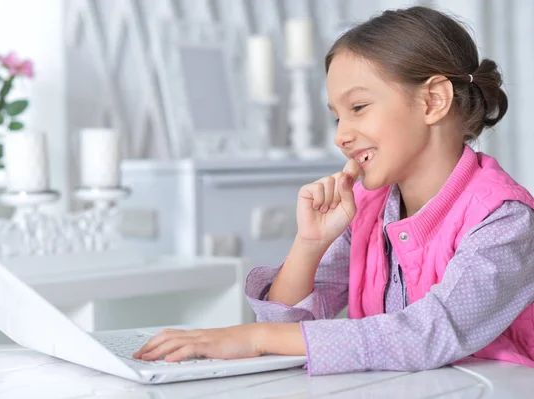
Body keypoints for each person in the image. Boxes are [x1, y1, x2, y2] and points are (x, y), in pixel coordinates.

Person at [133, 6, 534, 375]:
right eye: (336, 117)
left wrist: (253, 339)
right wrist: (309, 244)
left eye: (358, 107)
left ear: (433, 100)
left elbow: (425, 336)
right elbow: (285, 332)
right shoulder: (367, 207)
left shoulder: (505, 219)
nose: (341, 136)